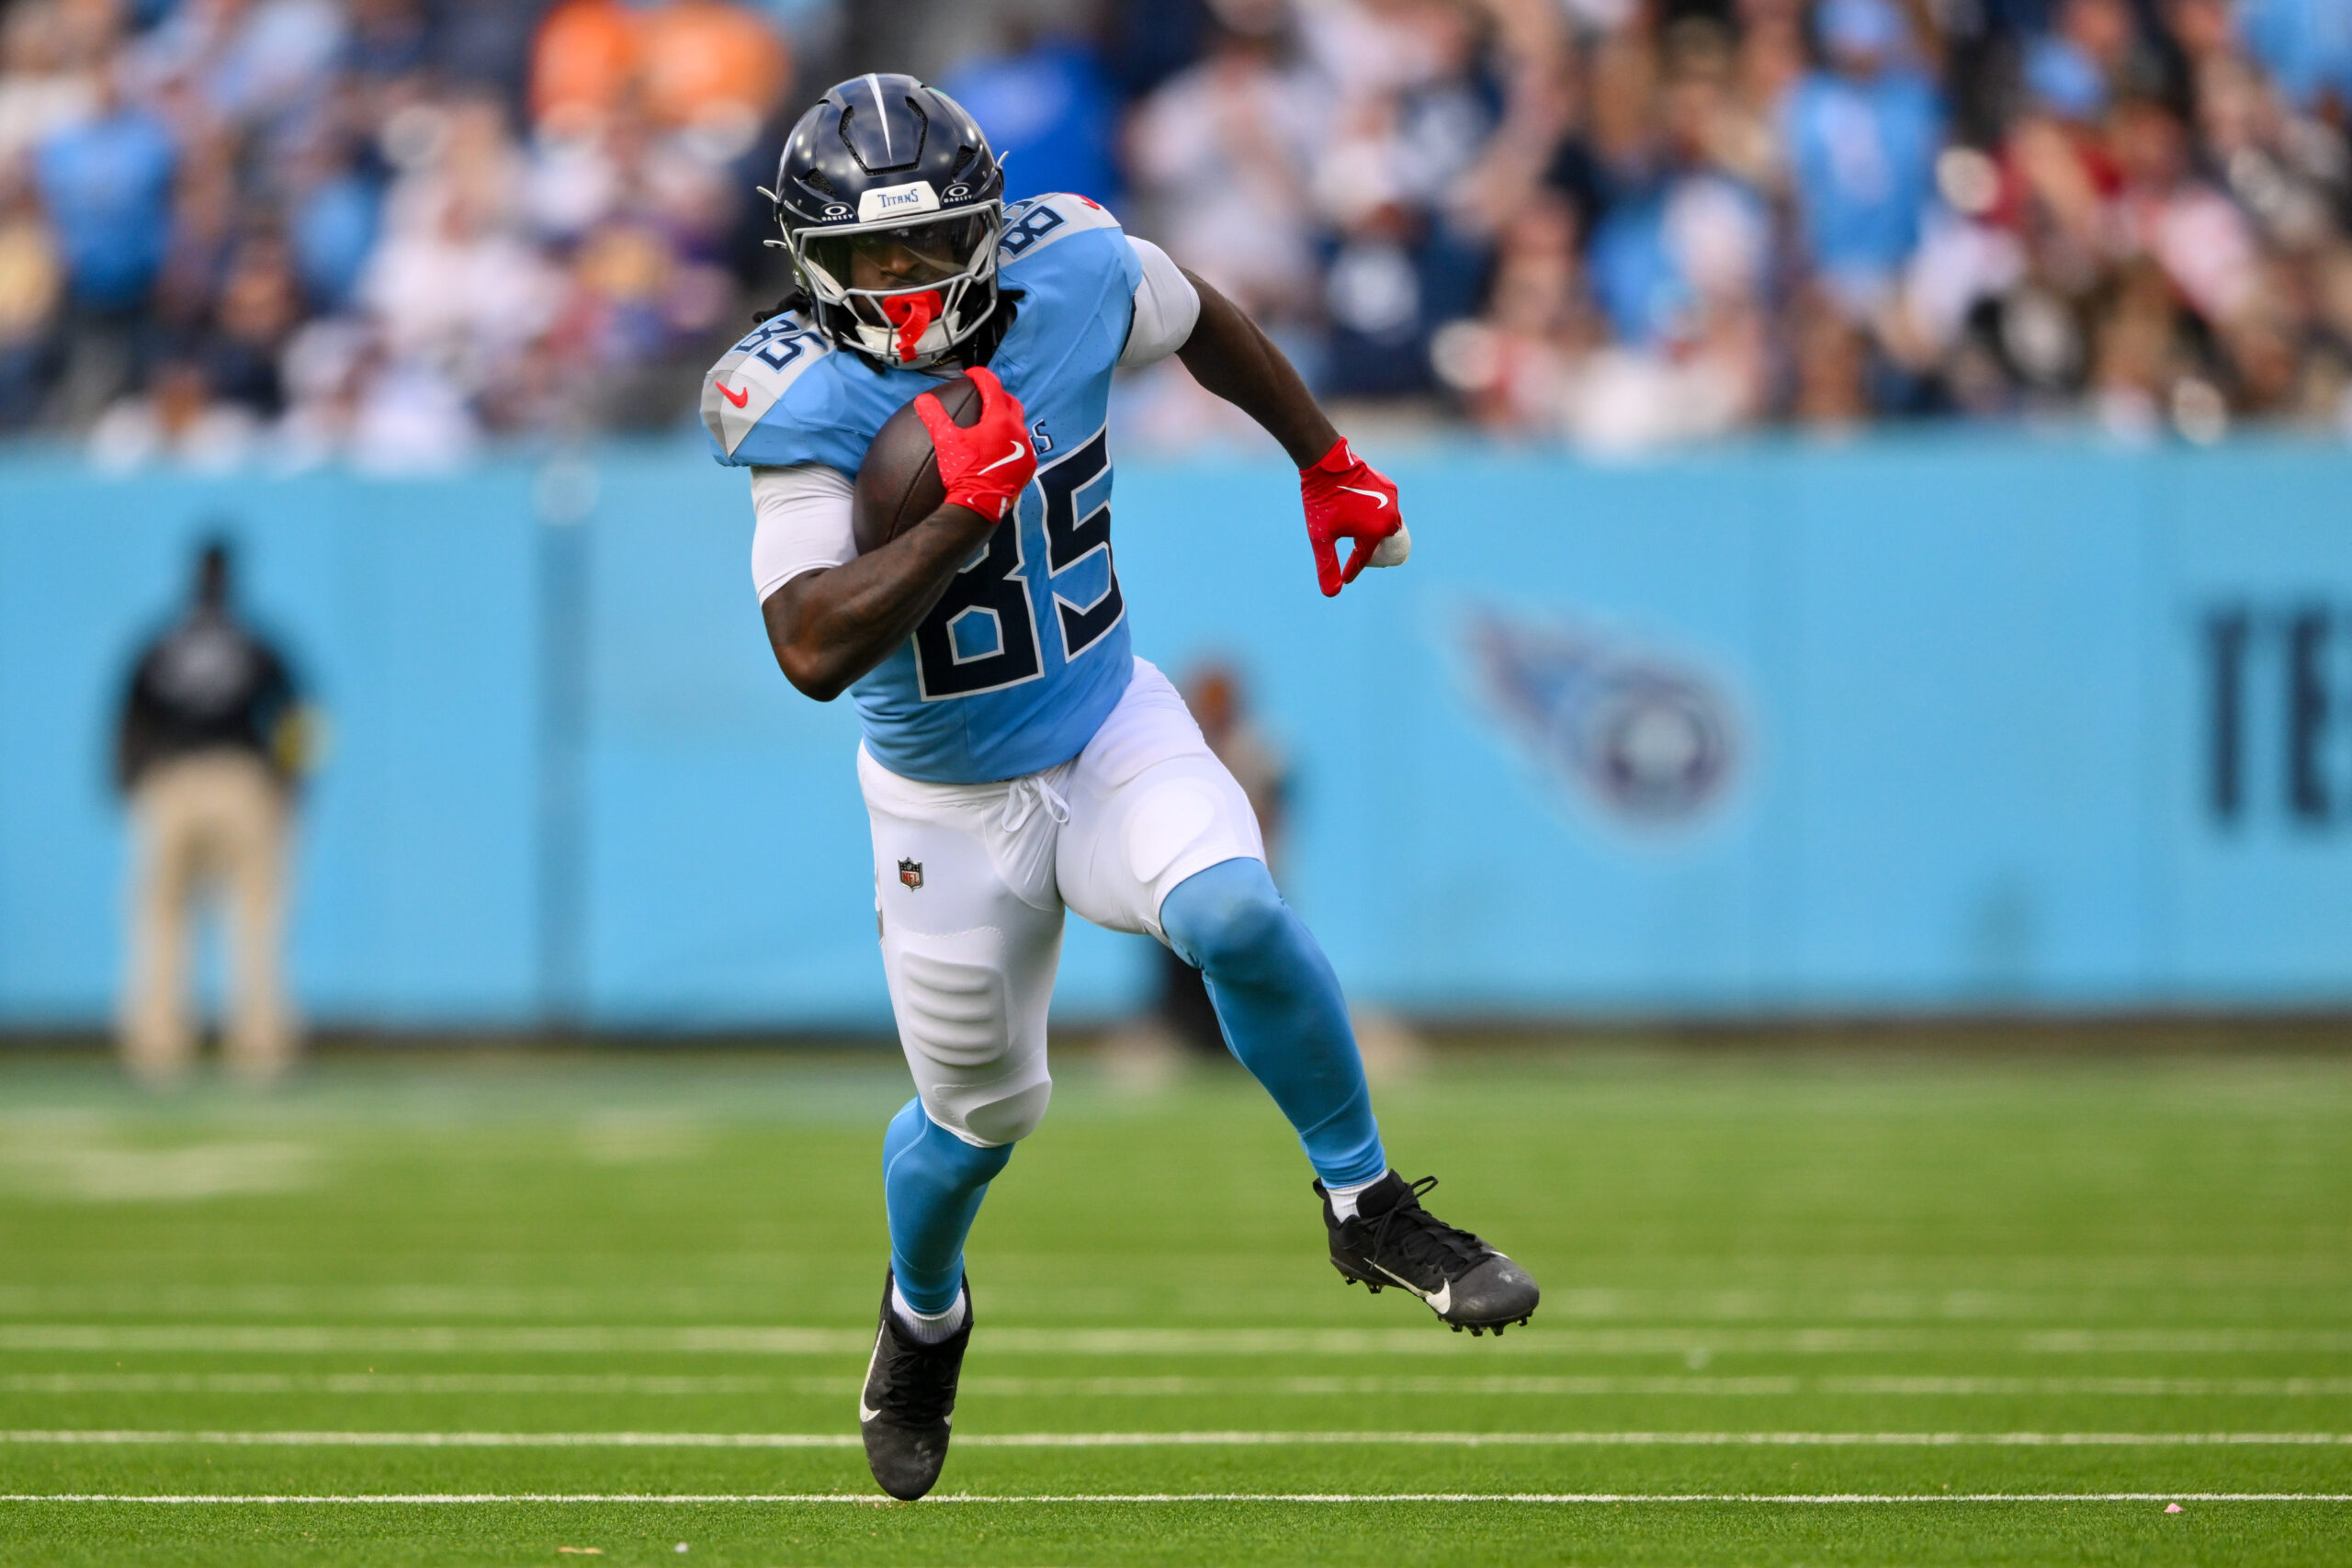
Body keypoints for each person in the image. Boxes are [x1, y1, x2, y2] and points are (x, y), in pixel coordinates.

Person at [703, 73, 1541, 1503]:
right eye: (870, 256)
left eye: (929, 244)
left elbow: (1200, 313)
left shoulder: (1074, 267)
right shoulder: (797, 395)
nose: (905, 279)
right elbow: (809, 649)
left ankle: (1368, 1200)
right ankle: (923, 1313)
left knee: (1236, 910)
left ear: (984, 227)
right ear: (811, 260)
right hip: (941, 800)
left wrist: (1325, 458)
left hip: (1105, 723)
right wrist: (959, 515)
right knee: (976, 1122)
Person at [114, 538, 309, 1086]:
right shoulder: (256, 644)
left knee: (162, 918)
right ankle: (260, 1045)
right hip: (240, 781)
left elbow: (129, 717)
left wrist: (131, 781)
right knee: (255, 917)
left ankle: (157, 1045)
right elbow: (297, 716)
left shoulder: (163, 644)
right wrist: (292, 783)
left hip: (172, 779)